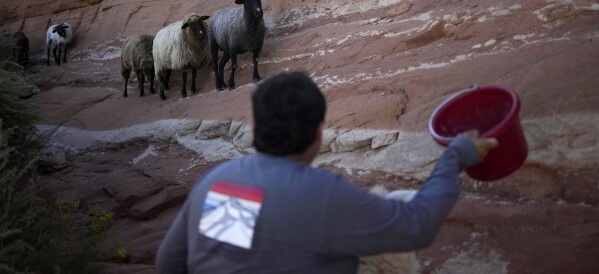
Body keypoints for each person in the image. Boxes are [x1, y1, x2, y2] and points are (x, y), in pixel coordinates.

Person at [156, 71, 498, 273]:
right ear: (318, 133)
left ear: (256, 125)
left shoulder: (219, 183)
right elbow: (418, 225)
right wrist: (455, 158)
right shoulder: (323, 197)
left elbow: (169, 263)